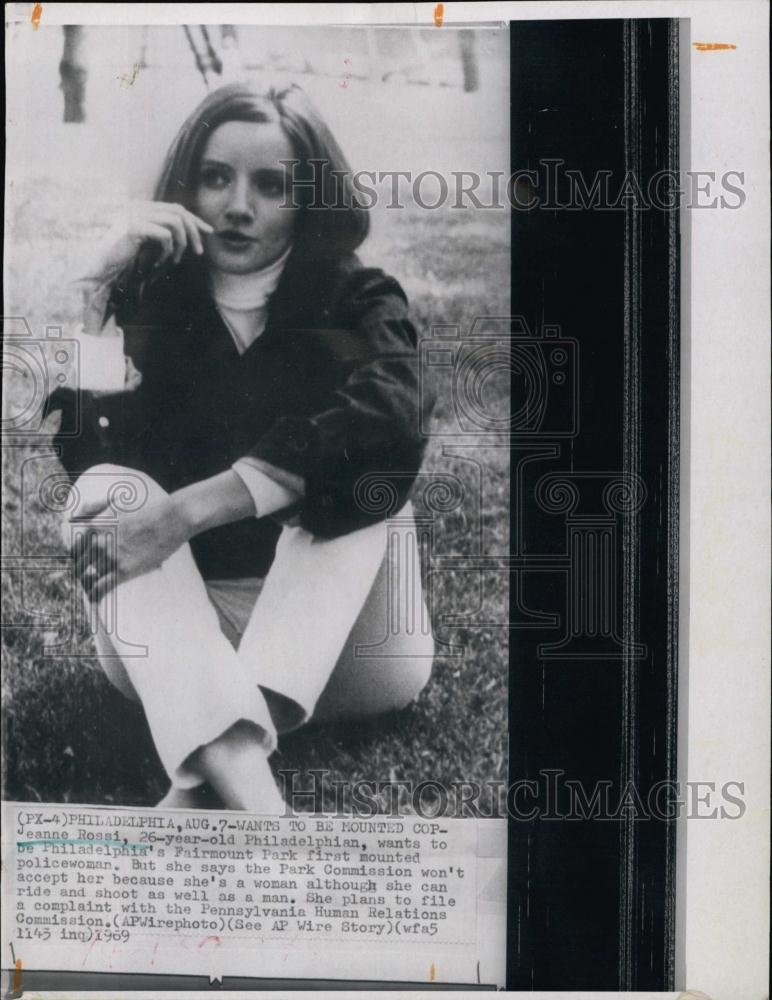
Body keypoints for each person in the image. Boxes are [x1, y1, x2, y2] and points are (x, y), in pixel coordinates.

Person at [45, 82, 436, 813]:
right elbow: (93, 459)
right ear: (186, 182)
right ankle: (256, 802)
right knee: (103, 492)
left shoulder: (358, 298)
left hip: (347, 648)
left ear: (311, 196)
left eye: (270, 184)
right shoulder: (151, 300)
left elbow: (392, 419)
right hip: (178, 638)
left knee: (365, 486)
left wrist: (187, 512)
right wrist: (97, 304)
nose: (236, 205)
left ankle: (211, 767)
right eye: (216, 176)